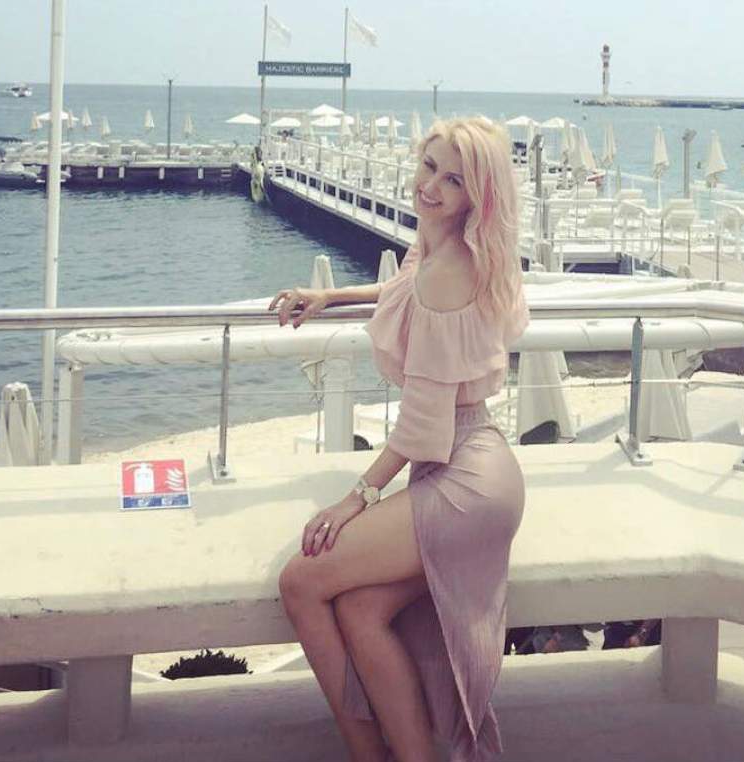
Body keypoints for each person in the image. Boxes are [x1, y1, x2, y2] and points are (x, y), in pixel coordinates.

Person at [272, 116, 529, 762]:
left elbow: (421, 425)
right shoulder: (437, 248)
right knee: (360, 610)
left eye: (454, 180)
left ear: (477, 196)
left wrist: (356, 498)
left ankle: (368, 752)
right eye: (429, 166)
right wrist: (330, 297)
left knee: (301, 582)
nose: (431, 186)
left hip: (464, 479)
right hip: (472, 463)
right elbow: (402, 288)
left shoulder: (451, 268)